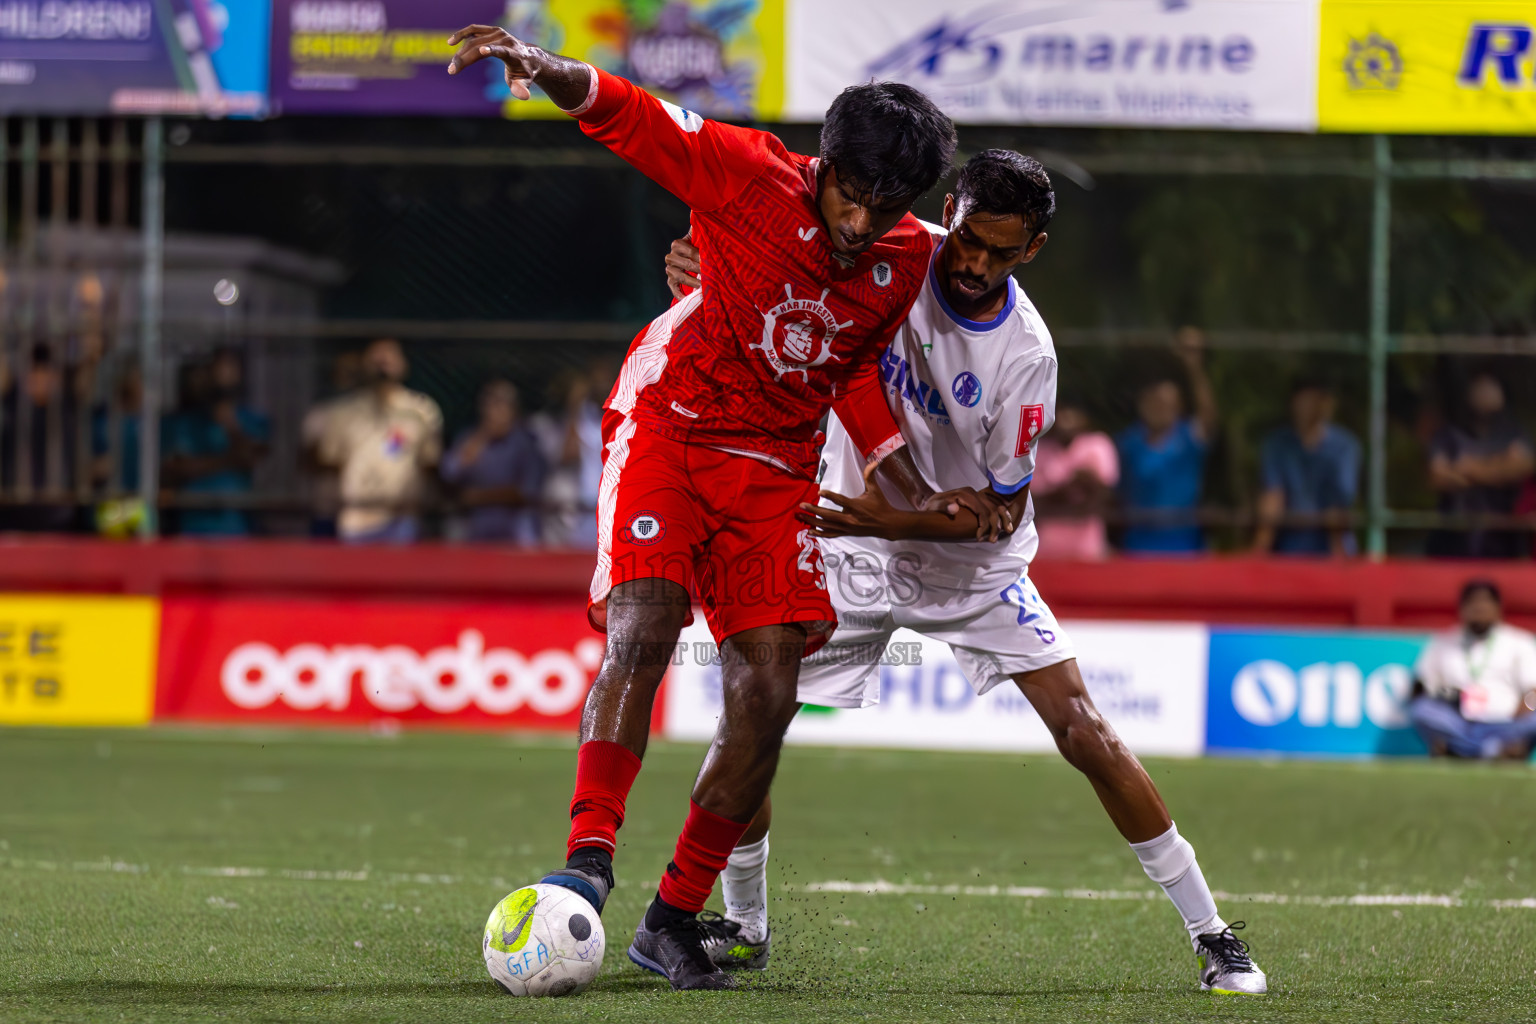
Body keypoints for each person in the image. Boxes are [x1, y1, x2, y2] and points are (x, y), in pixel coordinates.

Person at [665, 151, 1266, 996]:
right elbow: (782, 281)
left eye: (1003, 252)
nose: (977, 263)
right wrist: (700, 270)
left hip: (968, 566)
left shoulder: (1027, 357)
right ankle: (743, 924)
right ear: (952, 210)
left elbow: (1000, 515)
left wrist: (888, 515)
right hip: (853, 545)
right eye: (970, 240)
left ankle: (1213, 934)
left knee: (1084, 730)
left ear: (1035, 249)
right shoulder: (895, 252)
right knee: (750, 723)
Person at [447, 27, 969, 990]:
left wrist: (905, 480)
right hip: (670, 428)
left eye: (886, 204)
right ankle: (587, 861)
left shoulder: (908, 259)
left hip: (774, 470)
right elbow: (633, 115)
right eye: (850, 193)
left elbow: (846, 371)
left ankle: (673, 917)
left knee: (768, 695)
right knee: (644, 629)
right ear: (826, 161)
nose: (862, 221)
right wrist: (543, 66)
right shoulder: (745, 173)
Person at [311, 338, 442, 543]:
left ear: (404, 363)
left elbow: (430, 462)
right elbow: (329, 463)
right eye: (376, 356)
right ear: (364, 363)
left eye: (390, 355)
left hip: (402, 519)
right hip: (356, 518)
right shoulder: (343, 413)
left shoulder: (422, 411)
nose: (383, 361)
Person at [1116, 329, 1218, 554]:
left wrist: (1193, 365)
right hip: (1137, 547)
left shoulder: (1189, 437)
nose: (1159, 408)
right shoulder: (1128, 442)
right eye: (1153, 401)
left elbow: (1208, 414)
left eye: (1166, 403)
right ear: (1141, 404)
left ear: (1179, 406)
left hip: (1185, 546)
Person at [1411, 579, 1536, 759]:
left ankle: (1463, 751)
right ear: (1462, 608)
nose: (1479, 608)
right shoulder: (1443, 642)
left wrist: (1517, 716)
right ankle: (1491, 751)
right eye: (1473, 602)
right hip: (1460, 723)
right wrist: (1444, 698)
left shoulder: (1519, 642)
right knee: (1422, 710)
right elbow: (1421, 689)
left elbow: (1533, 693)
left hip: (1506, 724)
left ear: (1498, 608)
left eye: (1486, 602)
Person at [160, 349, 270, 537]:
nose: (222, 376)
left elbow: (252, 458)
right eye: (217, 370)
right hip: (193, 526)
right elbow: (176, 468)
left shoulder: (253, 420)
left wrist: (230, 424)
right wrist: (228, 460)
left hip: (236, 526)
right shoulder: (184, 422)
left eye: (229, 370)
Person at [1427, 373, 1534, 559]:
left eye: (1490, 389)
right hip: (1455, 535)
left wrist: (1468, 468)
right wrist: (1500, 466)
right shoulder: (1448, 434)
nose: (1484, 394)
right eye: (1479, 389)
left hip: (1504, 538)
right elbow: (1438, 477)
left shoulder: (1514, 432)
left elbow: (1522, 468)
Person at [1251, 379, 1361, 557]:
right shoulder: (1276, 444)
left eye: (1315, 401)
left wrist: (1338, 558)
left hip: (1331, 545)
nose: (1309, 408)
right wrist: (1260, 549)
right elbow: (1272, 498)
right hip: (1288, 546)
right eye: (1304, 401)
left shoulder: (1345, 446)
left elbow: (1340, 504)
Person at [441, 379, 545, 544]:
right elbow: (449, 474)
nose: (494, 411)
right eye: (490, 404)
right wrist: (480, 438)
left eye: (501, 404)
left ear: (514, 410)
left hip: (513, 528)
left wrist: (480, 497)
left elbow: (528, 491)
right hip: (476, 526)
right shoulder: (470, 438)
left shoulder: (525, 442)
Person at [0, 342, 80, 532]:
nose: (38, 379)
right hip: (15, 513)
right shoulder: (15, 404)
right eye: (33, 373)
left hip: (58, 515)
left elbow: (89, 365)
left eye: (44, 373)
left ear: (55, 377)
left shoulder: (65, 406)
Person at [529, 361, 608, 548]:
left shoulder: (597, 421)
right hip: (561, 508)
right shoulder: (542, 423)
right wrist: (575, 407)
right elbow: (568, 453)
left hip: (595, 506)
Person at [1030, 398, 1118, 560]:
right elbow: (1033, 499)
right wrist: (1072, 484)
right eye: (1062, 415)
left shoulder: (1098, 444)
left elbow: (1104, 493)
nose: (1067, 421)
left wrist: (1061, 491)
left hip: (1087, 540)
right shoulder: (1040, 448)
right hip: (1049, 540)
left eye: (1073, 415)